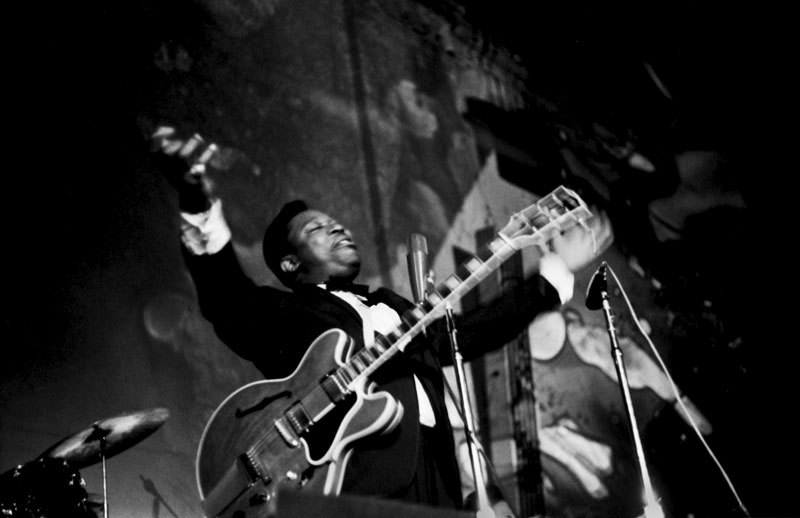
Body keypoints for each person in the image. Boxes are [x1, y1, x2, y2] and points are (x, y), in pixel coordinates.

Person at [152, 127, 600, 511]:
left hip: (434, 476)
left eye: (335, 223)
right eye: (317, 229)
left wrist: (550, 279)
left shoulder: (392, 306)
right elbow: (227, 299)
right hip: (353, 477)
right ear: (290, 265)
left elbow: (465, 336)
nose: (338, 228)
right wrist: (196, 200)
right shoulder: (289, 313)